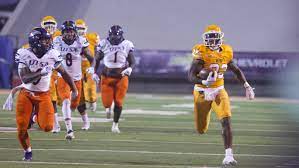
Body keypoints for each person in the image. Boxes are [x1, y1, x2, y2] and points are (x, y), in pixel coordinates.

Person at [188, 24, 255, 166]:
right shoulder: (201, 52)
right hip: (201, 92)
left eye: (214, 38)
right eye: (209, 39)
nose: (212, 42)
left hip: (219, 90)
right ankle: (203, 123)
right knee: (201, 129)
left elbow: (236, 70)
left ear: (220, 39)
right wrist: (204, 81)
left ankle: (228, 156)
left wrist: (247, 86)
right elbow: (191, 76)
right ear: (205, 39)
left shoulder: (226, 51)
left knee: (226, 120)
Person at [14, 27, 77, 161]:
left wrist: (74, 89)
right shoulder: (24, 53)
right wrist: (41, 72)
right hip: (26, 93)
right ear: (35, 41)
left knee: (48, 127)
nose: (48, 43)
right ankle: (28, 151)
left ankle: (35, 117)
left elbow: (64, 73)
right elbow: (24, 78)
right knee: (21, 128)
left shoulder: (52, 54)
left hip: (43, 94)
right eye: (44, 41)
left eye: (48, 40)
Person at [53, 20, 95, 139]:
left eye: (71, 31)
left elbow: (92, 58)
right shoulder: (57, 41)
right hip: (63, 77)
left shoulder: (81, 41)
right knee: (66, 101)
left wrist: (92, 68)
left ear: (75, 32)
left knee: (74, 105)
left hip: (77, 78)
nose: (68, 34)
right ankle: (69, 130)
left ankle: (82, 122)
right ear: (62, 33)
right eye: (66, 32)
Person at [94, 25, 135, 133]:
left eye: (116, 36)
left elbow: (132, 61)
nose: (114, 38)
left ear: (121, 36)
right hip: (106, 77)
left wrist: (130, 68)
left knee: (119, 102)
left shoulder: (127, 44)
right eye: (112, 36)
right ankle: (108, 107)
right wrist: (94, 72)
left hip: (121, 77)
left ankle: (115, 125)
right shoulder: (104, 43)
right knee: (106, 103)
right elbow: (97, 59)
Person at [74, 19, 99, 130]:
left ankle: (93, 100)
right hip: (75, 72)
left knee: (90, 90)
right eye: (78, 29)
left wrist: (94, 68)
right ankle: (86, 121)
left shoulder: (92, 38)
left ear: (86, 29)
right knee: (79, 99)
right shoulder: (69, 40)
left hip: (88, 70)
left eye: (82, 29)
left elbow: (97, 53)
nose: (80, 31)